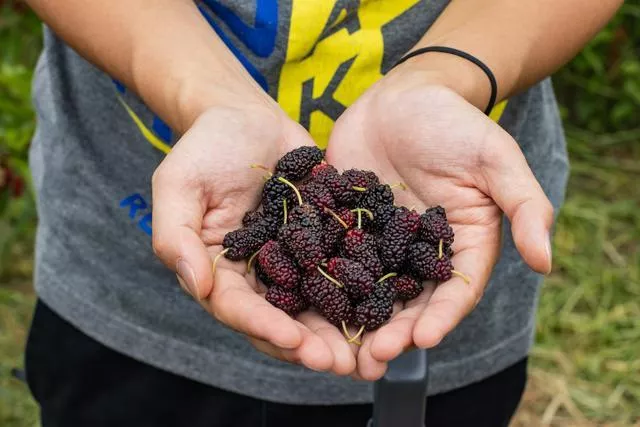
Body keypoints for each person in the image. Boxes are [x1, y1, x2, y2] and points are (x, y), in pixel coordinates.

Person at [22, 0, 621, 426]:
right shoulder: (297, 229)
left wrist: (448, 74)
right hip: (124, 286)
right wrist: (205, 96)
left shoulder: (375, 239)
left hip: (455, 343)